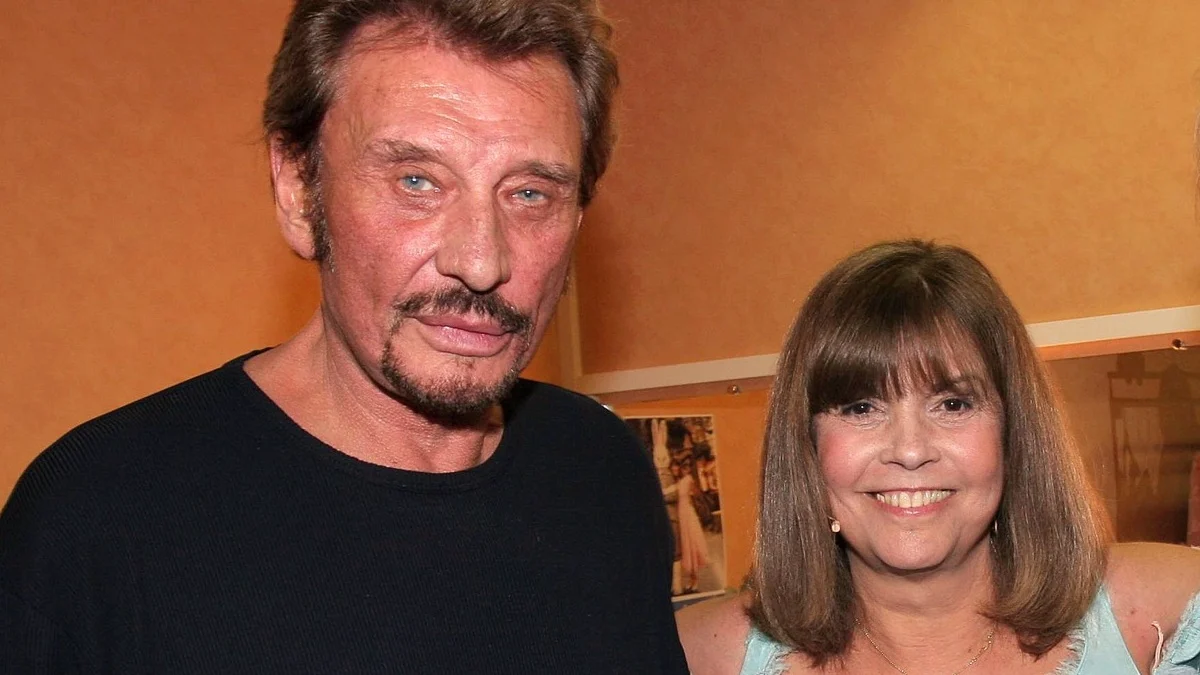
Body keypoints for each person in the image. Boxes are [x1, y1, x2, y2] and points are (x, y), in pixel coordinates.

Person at [0, 1, 689, 672]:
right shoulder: (98, 516)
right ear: (300, 193)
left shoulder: (602, 472)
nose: (482, 262)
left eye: (530, 193)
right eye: (417, 181)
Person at [677, 240, 1200, 674]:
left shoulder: (1165, 616)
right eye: (861, 407)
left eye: (953, 404)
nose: (910, 450)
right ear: (806, 447)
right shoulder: (697, 654)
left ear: (1013, 432)